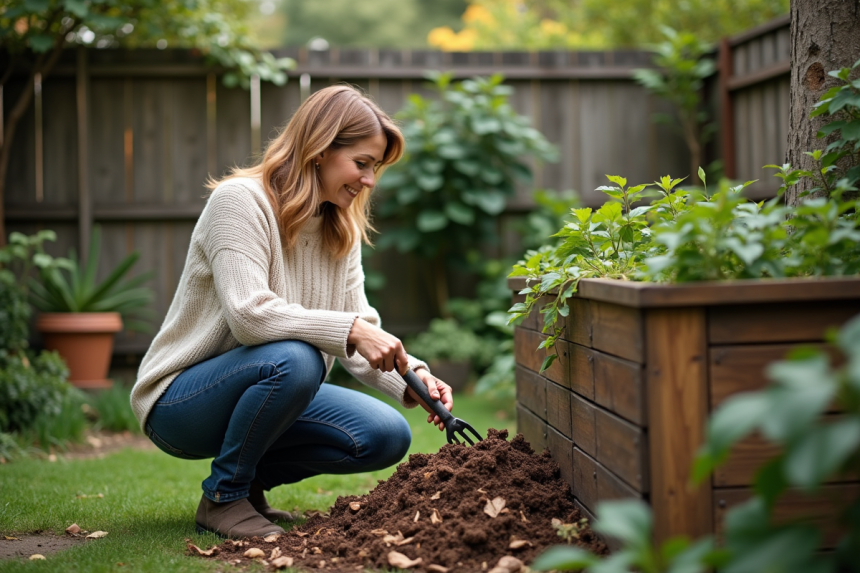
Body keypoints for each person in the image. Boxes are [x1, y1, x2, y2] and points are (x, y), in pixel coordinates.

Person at [130, 85, 453, 539]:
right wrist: (353, 330)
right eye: (361, 163)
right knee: (297, 357)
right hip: (182, 401)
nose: (370, 181)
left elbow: (360, 338)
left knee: (385, 434)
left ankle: (249, 485)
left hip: (272, 383)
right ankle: (223, 498)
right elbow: (250, 316)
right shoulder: (239, 202)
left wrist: (415, 380)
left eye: (375, 168)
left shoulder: (339, 228)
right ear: (320, 149)